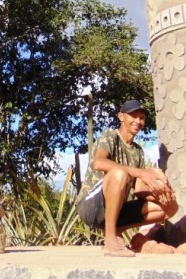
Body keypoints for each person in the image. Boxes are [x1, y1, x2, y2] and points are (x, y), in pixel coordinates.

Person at [76, 99, 178, 257]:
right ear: (121, 117)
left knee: (170, 207)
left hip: (117, 210)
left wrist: (160, 196)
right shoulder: (110, 135)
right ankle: (110, 241)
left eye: (141, 118)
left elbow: (138, 191)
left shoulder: (138, 151)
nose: (138, 121)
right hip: (91, 206)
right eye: (134, 116)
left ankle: (117, 230)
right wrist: (141, 172)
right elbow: (99, 162)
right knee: (119, 173)